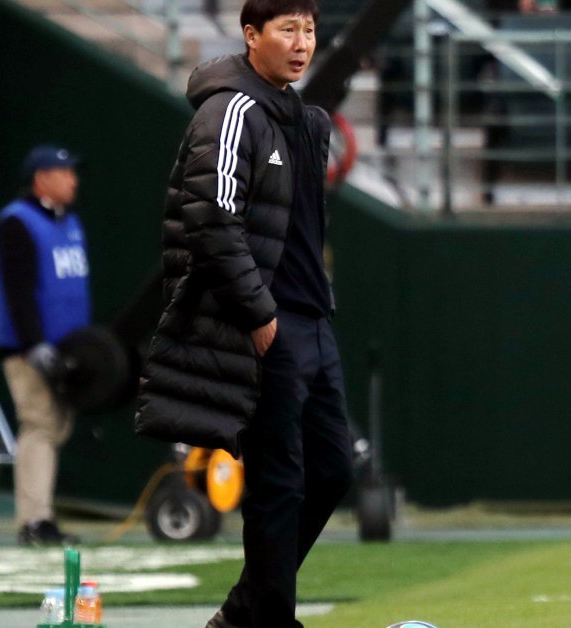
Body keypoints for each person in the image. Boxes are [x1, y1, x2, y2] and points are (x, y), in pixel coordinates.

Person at [132, 0, 353, 625]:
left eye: (310, 30)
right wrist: (258, 314)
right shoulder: (230, 110)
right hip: (271, 322)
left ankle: (244, 612)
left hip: (314, 320)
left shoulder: (305, 119)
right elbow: (209, 218)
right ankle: (268, 619)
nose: (302, 42)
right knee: (279, 480)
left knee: (332, 470)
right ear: (251, 35)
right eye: (288, 29)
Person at [0, 145, 89, 546]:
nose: (73, 180)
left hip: (67, 349)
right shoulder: (17, 222)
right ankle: (34, 522)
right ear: (41, 178)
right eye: (64, 172)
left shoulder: (70, 221)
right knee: (40, 424)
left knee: (56, 427)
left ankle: (41, 516)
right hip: (30, 349)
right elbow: (18, 291)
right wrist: (34, 345)